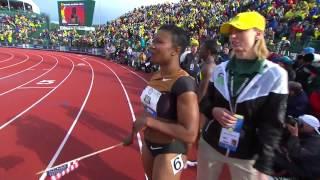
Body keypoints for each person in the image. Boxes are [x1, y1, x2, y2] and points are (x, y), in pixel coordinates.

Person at [197, 11, 288, 180]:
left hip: (247, 156)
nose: (233, 36)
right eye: (231, 32)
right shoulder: (220, 69)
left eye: (240, 31)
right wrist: (214, 111)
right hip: (211, 144)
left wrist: (265, 164)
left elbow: (272, 125)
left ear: (258, 34)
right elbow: (205, 103)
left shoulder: (275, 75)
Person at [125, 24, 199, 180]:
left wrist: (150, 122)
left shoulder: (184, 84)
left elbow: (190, 134)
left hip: (170, 148)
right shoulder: (156, 76)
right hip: (149, 144)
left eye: (159, 42)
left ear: (175, 50)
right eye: (153, 40)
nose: (152, 45)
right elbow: (150, 110)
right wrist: (133, 132)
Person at [273, 114, 320, 179]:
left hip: (305, 172)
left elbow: (296, 154)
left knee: (273, 157)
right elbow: (281, 141)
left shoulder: (316, 142)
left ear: (310, 127)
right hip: (295, 162)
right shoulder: (304, 133)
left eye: (301, 123)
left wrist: (294, 136)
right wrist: (285, 128)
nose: (297, 125)